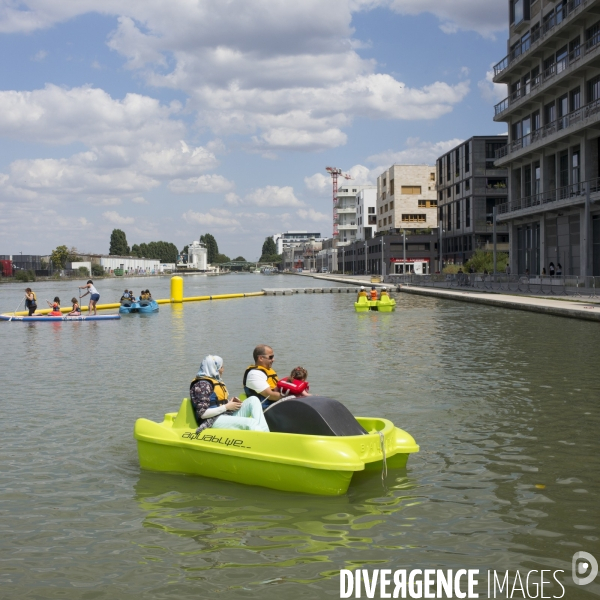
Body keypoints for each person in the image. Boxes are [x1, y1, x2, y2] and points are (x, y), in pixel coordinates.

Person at [191, 355, 269, 434]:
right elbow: (202, 414)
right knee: (251, 422)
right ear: (214, 368)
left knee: (253, 400)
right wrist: (226, 407)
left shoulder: (214, 381)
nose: (223, 370)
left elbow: (216, 402)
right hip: (211, 421)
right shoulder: (202, 385)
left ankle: (267, 435)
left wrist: (229, 403)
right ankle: (264, 442)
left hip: (225, 415)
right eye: (221, 367)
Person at [243, 345, 283, 410]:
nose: (273, 359)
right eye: (271, 357)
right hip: (264, 411)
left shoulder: (268, 371)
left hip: (276, 406)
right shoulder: (254, 374)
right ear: (261, 358)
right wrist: (291, 397)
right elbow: (270, 395)